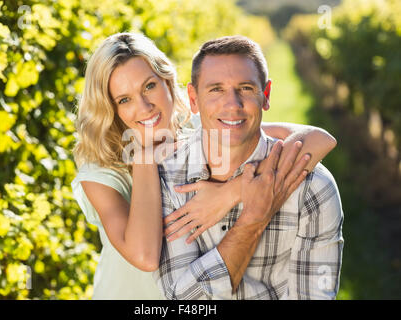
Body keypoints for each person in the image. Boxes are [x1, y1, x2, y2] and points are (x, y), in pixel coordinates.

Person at [71, 32, 337, 300]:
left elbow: (318, 140)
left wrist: (232, 191)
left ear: (167, 82)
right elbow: (145, 256)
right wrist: (144, 158)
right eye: (124, 99)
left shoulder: (200, 127)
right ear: (111, 108)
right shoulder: (100, 174)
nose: (144, 107)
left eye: (149, 86)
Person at [154, 35, 344, 300]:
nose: (232, 104)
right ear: (193, 99)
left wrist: (247, 205)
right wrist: (252, 216)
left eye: (245, 88)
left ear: (265, 95)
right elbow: (186, 302)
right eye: (216, 89)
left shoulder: (313, 186)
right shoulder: (165, 179)